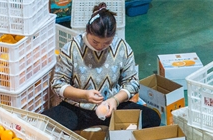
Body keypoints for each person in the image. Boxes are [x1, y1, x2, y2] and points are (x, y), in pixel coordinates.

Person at [45, 3, 161, 132]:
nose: (100, 46)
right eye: (95, 42)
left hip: (112, 108)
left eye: (107, 42)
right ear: (88, 31)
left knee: (152, 118)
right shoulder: (72, 48)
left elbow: (132, 82)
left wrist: (115, 100)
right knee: (44, 124)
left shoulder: (121, 47)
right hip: (78, 108)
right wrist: (84, 94)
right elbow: (58, 84)